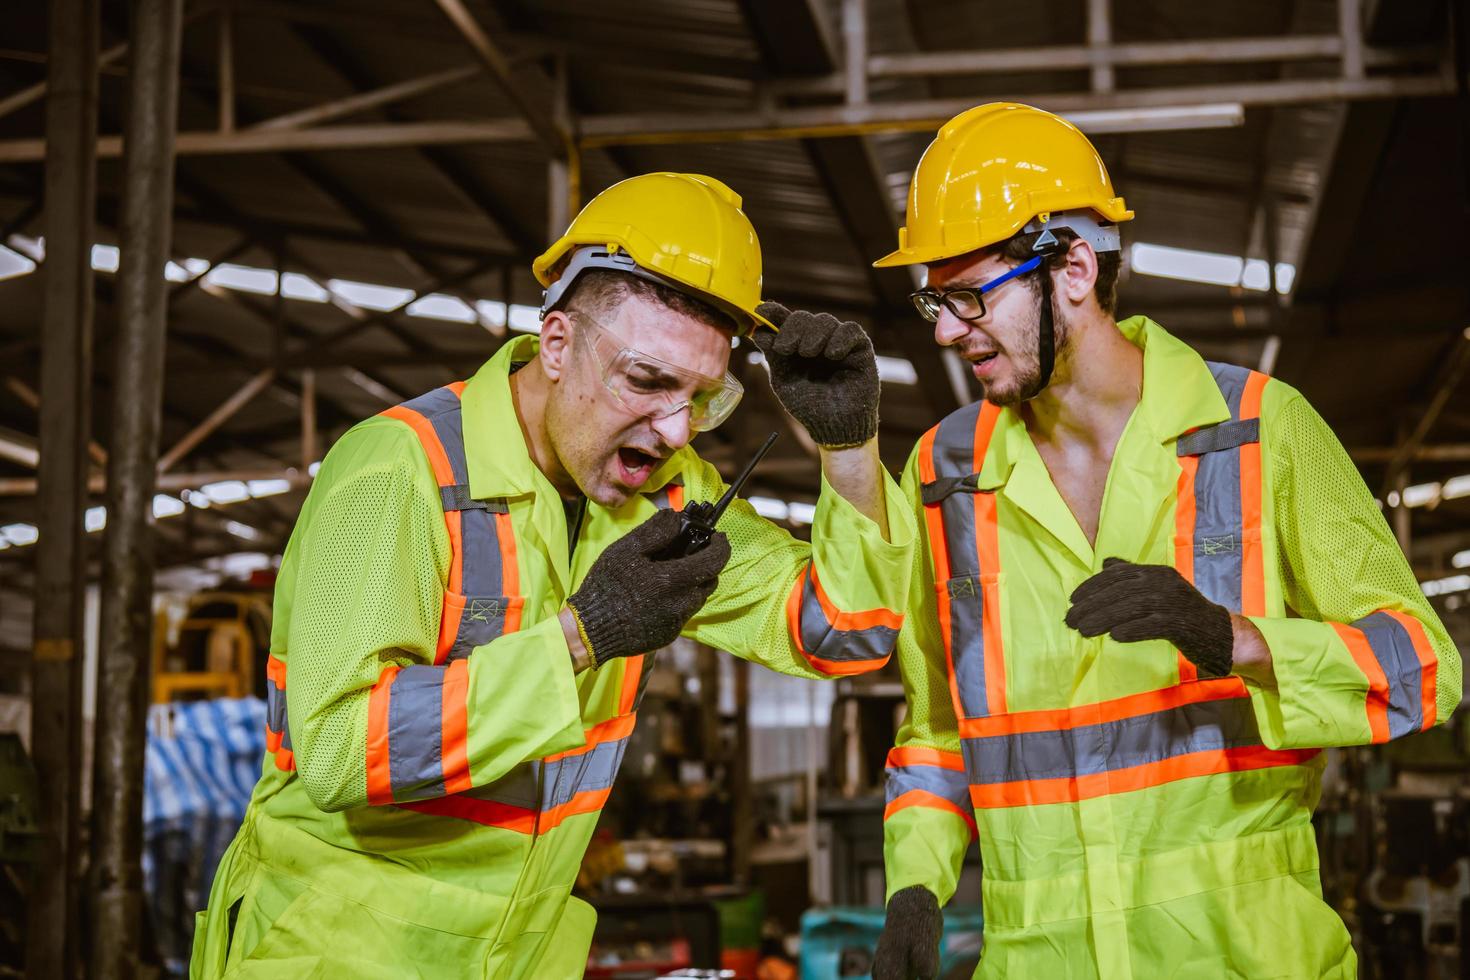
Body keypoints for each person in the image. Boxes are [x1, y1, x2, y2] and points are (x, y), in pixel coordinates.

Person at [190, 172, 915, 979]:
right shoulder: (401, 471)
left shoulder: (669, 496)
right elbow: (334, 752)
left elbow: (847, 637)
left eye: (704, 399)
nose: (675, 429)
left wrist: (848, 449)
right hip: (338, 957)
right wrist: (582, 636)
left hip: (515, 959)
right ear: (559, 342)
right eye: (646, 381)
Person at [868, 103, 1461, 979]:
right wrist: (915, 887)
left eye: (968, 295)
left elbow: (1427, 666)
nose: (947, 330)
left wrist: (1239, 641)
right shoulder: (944, 472)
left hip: (1242, 959)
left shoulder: (1259, 428)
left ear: (1072, 268)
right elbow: (939, 729)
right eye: (933, 301)